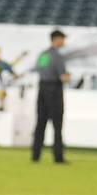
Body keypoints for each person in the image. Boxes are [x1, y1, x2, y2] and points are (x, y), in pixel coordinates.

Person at [31, 29, 69, 163]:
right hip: (54, 90)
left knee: (40, 123)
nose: (64, 42)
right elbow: (63, 77)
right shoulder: (58, 56)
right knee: (57, 124)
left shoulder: (43, 55)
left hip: (42, 89)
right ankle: (58, 156)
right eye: (63, 39)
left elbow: (38, 69)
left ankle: (36, 155)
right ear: (57, 39)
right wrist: (68, 77)